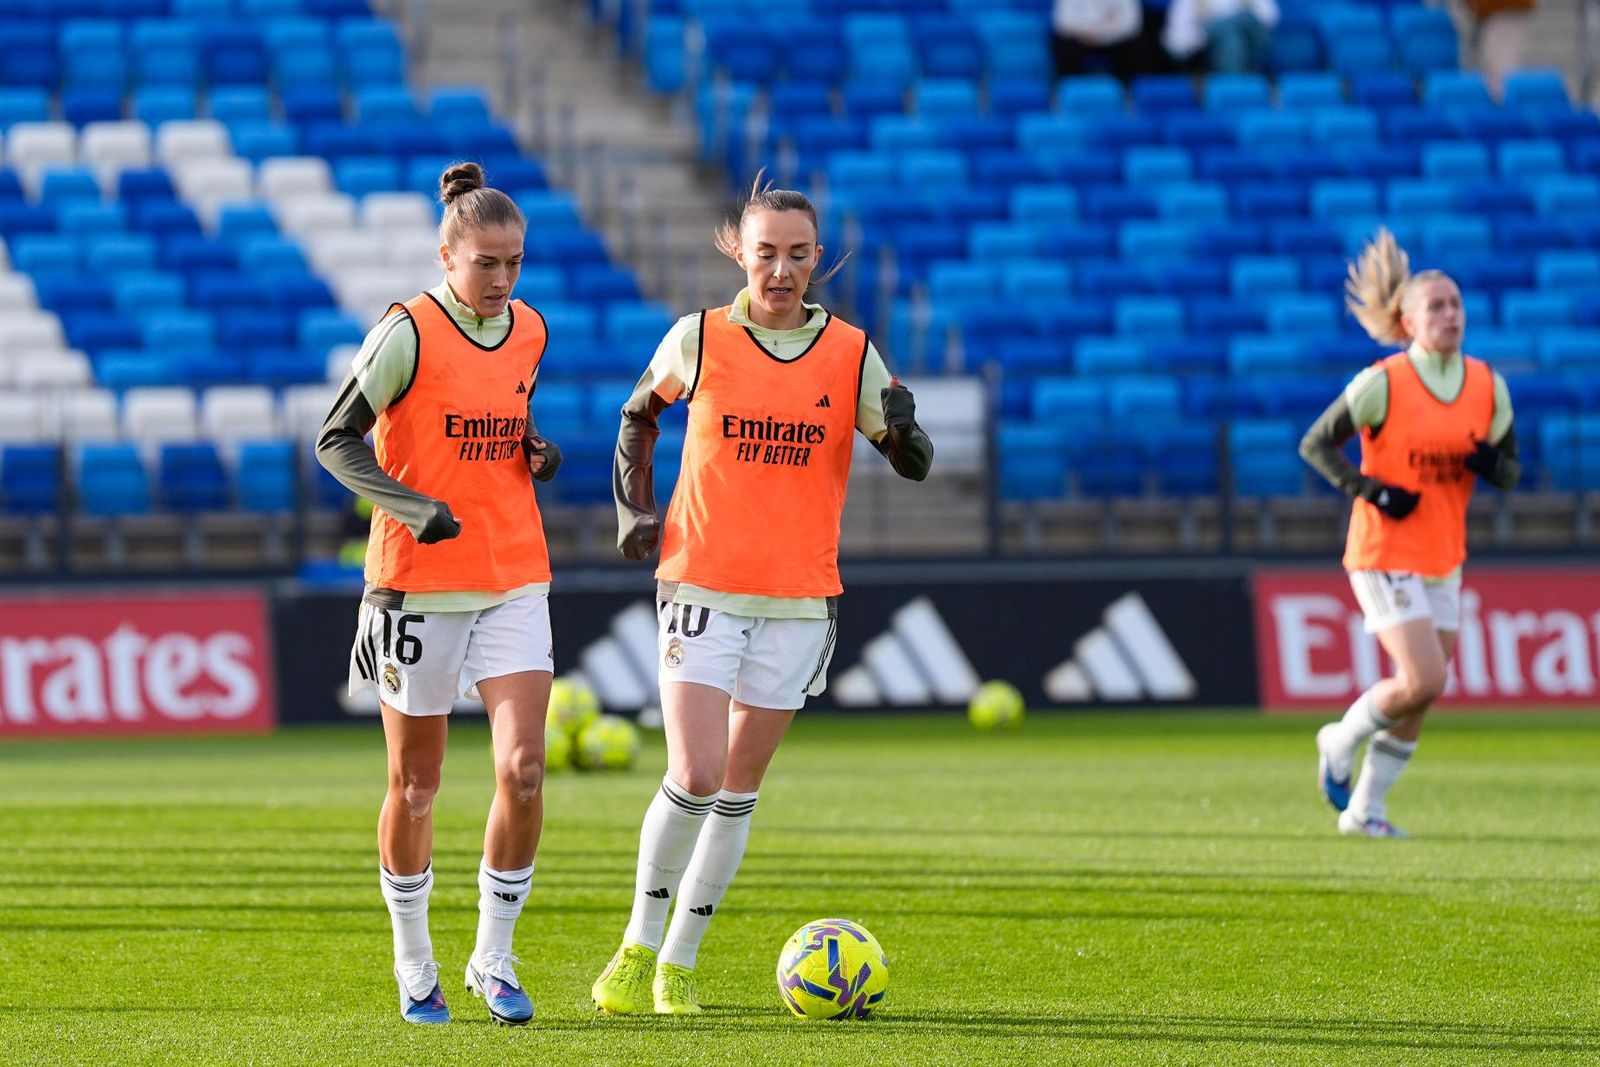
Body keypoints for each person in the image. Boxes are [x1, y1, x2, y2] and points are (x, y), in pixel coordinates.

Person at [590, 180, 934, 1015]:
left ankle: (680, 963)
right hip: (702, 577)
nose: (780, 269)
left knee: (738, 787)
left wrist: (903, 426)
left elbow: (911, 459)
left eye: (797, 254)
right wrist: (636, 511)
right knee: (695, 771)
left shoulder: (852, 350)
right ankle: (636, 947)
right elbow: (638, 416)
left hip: (798, 596)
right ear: (738, 251)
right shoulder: (699, 337)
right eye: (766, 251)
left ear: (819, 259)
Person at [316, 161, 564, 1025]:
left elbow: (508, 424)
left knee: (525, 772)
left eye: (515, 262)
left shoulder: (530, 329)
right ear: (447, 253)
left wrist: (537, 452)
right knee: (417, 785)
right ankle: (413, 963)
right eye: (485, 262)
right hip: (416, 583)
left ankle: (493, 957)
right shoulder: (406, 330)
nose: (501, 280)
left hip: (512, 574)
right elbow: (335, 439)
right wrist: (410, 505)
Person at [1298, 228, 1519, 838]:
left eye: (1456, 305)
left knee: (1422, 693)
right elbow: (1316, 443)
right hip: (1383, 549)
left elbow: (1511, 468)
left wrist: (1489, 465)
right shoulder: (1385, 382)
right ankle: (1338, 737)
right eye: (1437, 306)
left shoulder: (1485, 385)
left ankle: (1365, 811)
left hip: (1443, 552)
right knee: (1424, 679)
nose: (1451, 315)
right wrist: (1373, 492)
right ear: (1408, 319)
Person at [1162, 0, 1279, 74]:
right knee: (1231, 40)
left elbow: (1270, 18)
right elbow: (1176, 37)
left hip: (1253, 43)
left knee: (1243, 18)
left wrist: (1211, 29)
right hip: (1212, 51)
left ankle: (1231, 85)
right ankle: (1235, 84)